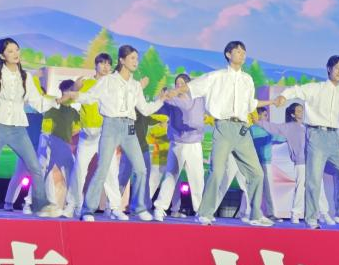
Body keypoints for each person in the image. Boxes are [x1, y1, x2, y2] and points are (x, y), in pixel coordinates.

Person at [0, 38, 68, 218]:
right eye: (10, 51)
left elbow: (37, 102)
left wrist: (57, 100)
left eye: (17, 49)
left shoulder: (26, 77)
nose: (15, 53)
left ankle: (40, 205)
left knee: (35, 166)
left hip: (18, 129)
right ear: (2, 56)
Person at [273, 55, 339, 229]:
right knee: (314, 179)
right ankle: (311, 219)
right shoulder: (315, 88)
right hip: (316, 135)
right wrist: (283, 96)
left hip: (333, 138)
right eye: (337, 68)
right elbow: (296, 90)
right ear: (329, 69)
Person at [75, 46, 166, 222]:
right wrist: (74, 94)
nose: (136, 62)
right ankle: (87, 210)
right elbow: (90, 97)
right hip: (111, 125)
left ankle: (139, 208)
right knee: (102, 169)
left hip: (129, 128)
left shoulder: (135, 85)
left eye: (137, 59)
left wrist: (162, 100)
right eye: (132, 58)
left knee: (141, 169)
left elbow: (145, 109)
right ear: (122, 60)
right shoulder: (108, 80)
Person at [186, 41, 271, 227]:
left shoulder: (247, 79)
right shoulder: (216, 76)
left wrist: (271, 102)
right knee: (217, 171)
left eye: (244, 52)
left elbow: (251, 104)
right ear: (228, 54)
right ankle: (204, 213)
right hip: (223, 127)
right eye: (238, 51)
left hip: (242, 130)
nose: (242, 54)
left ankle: (255, 215)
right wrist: (176, 91)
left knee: (257, 173)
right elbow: (193, 87)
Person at [75, 53, 125, 215]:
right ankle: (75, 205)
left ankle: (115, 207)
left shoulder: (113, 85)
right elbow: (72, 99)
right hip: (87, 134)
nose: (105, 67)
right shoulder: (86, 83)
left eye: (108, 64)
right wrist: (75, 89)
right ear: (95, 65)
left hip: (106, 134)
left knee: (111, 171)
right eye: (102, 63)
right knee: (79, 170)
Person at [152, 73, 207, 220]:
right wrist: (160, 98)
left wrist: (170, 97)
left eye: (182, 84)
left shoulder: (197, 100)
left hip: (194, 144)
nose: (179, 87)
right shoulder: (172, 101)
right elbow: (158, 109)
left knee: (197, 179)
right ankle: (160, 208)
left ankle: (201, 211)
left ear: (188, 86)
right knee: (170, 176)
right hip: (177, 143)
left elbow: (189, 110)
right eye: (177, 84)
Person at [256, 102, 308, 222]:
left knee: (318, 188)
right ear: (293, 114)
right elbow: (274, 127)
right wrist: (257, 122)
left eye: (302, 110)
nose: (301, 113)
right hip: (301, 162)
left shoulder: (306, 127)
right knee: (301, 187)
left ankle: (322, 213)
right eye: (299, 111)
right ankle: (295, 214)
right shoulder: (289, 127)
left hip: (313, 161)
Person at [38, 80, 83, 215]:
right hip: (50, 141)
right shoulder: (53, 105)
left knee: (72, 171)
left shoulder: (73, 111)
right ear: (65, 91)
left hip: (63, 143)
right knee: (43, 171)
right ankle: (40, 203)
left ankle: (74, 205)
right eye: (72, 91)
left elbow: (78, 127)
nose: (74, 94)